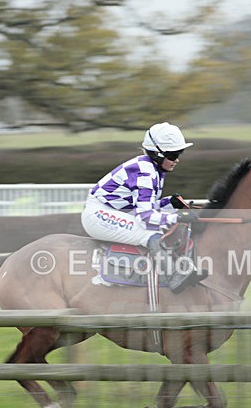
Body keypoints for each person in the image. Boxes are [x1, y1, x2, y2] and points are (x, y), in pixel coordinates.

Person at [81, 122, 203, 293]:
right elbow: (145, 217)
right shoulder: (145, 172)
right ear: (157, 154)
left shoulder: (153, 168)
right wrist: (177, 217)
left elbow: (146, 207)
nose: (177, 159)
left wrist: (169, 203)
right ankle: (174, 275)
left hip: (112, 211)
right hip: (98, 215)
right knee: (151, 234)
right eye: (173, 154)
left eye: (179, 153)